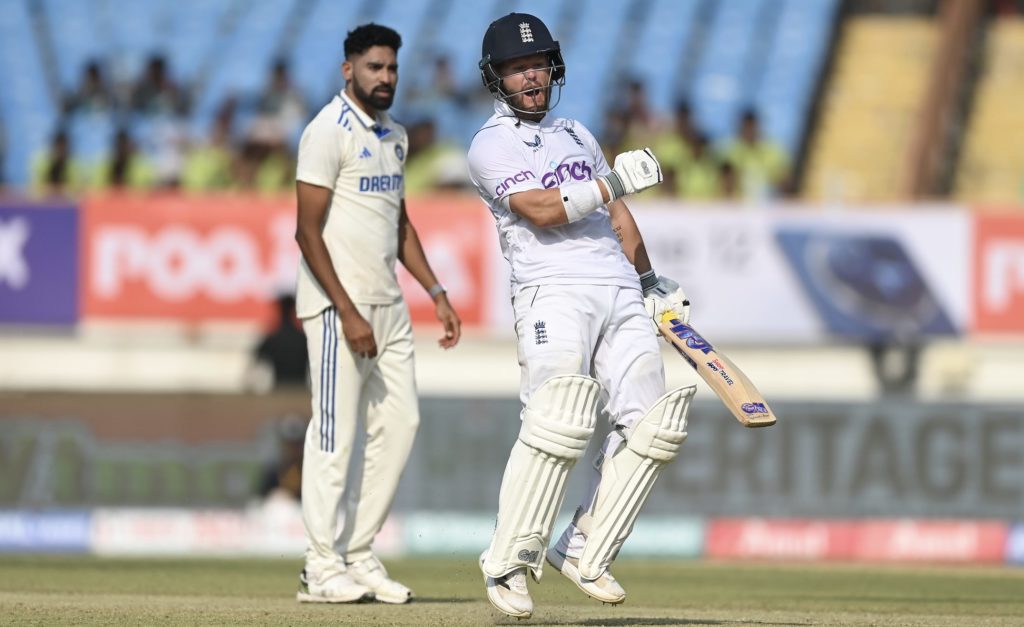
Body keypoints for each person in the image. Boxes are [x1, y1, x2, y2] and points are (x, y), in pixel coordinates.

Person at [468, 13, 693, 620]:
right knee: (558, 419)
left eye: (537, 63)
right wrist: (612, 180)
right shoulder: (490, 144)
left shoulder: (577, 135)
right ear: (497, 79)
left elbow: (617, 217)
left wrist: (649, 279)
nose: (531, 76)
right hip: (552, 289)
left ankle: (586, 543)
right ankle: (509, 560)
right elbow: (542, 209)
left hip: (618, 287)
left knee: (653, 426)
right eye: (517, 68)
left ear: (554, 67)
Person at [292, 23, 461, 605]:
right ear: (349, 71)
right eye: (374, 68)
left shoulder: (395, 134)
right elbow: (305, 231)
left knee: (401, 425)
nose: (385, 78)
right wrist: (347, 311)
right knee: (334, 436)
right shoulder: (325, 132)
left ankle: (358, 552)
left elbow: (400, 222)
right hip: (342, 309)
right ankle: (320, 565)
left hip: (388, 306)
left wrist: (435, 290)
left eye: (391, 68)